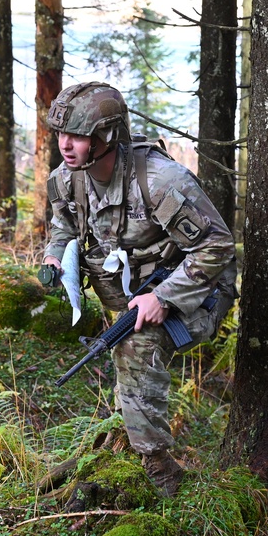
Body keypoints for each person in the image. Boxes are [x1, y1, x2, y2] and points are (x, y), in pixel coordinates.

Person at [43, 82, 238, 497]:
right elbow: (62, 226)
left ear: (107, 135)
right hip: (136, 293)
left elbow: (217, 246)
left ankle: (159, 470)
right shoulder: (67, 180)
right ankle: (124, 441)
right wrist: (56, 255)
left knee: (136, 346)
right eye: (61, 134)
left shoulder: (161, 180)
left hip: (199, 288)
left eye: (77, 135)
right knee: (125, 344)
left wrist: (164, 297)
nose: (66, 145)